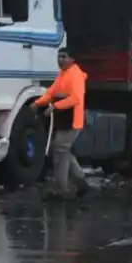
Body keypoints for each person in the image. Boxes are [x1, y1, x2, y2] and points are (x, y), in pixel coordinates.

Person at [31, 47, 91, 200]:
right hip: (65, 120)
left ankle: (62, 189)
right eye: (59, 57)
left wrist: (54, 107)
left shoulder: (75, 75)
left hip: (73, 120)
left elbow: (75, 98)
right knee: (64, 150)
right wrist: (38, 103)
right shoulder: (63, 74)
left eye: (64, 57)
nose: (60, 60)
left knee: (59, 149)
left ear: (72, 59)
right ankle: (80, 182)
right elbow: (51, 92)